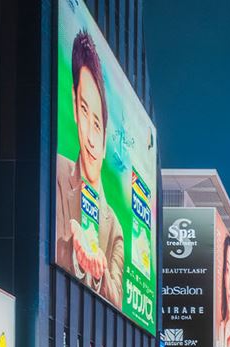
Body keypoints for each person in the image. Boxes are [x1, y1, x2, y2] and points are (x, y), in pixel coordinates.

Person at [55, 30, 127, 304]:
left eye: (98, 124)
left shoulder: (115, 227)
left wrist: (98, 271)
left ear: (106, 137)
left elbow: (117, 298)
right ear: (74, 106)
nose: (90, 137)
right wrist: (76, 252)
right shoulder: (56, 174)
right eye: (84, 111)